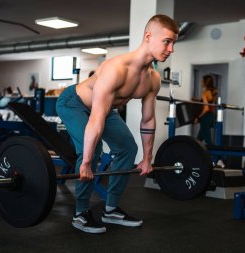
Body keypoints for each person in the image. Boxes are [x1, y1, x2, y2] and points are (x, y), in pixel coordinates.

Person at [56, 14, 179, 234]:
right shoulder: (116, 69)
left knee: (128, 148)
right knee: (91, 153)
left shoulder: (153, 79)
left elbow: (148, 119)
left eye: (173, 43)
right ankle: (81, 213)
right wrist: (85, 162)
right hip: (73, 103)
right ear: (149, 36)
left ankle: (111, 209)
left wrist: (147, 157)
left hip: (105, 109)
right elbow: (95, 118)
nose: (171, 49)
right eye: (167, 42)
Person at [193, 75, 217, 145]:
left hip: (205, 118)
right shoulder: (213, 92)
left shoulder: (205, 93)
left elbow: (206, 109)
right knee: (198, 140)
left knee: (208, 142)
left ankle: (217, 156)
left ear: (205, 83)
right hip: (211, 117)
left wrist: (198, 117)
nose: (201, 82)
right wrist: (197, 100)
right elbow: (210, 104)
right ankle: (194, 154)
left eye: (202, 81)